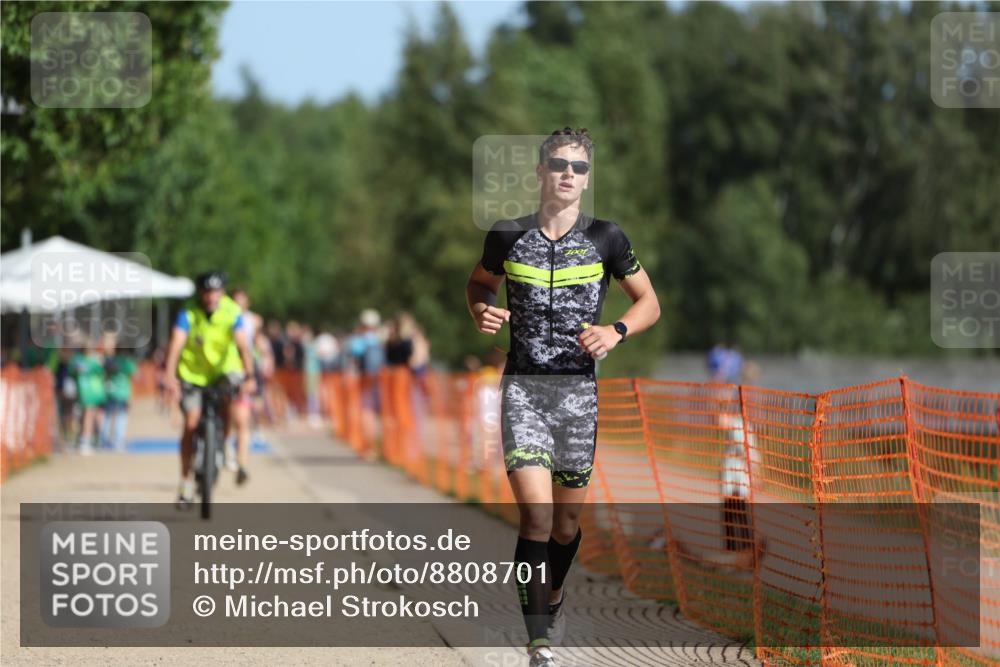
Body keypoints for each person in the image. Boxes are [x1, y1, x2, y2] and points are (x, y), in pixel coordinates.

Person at [466, 128, 661, 666]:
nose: (568, 174)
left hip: (578, 397)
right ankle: (539, 641)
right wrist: (481, 308)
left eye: (577, 167)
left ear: (587, 178)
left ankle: (553, 595)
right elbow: (478, 284)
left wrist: (617, 331)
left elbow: (649, 303)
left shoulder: (607, 238)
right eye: (558, 165)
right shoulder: (507, 235)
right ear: (540, 172)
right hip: (523, 390)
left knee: (566, 525)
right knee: (536, 514)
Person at [163, 271, 256, 507]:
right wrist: (169, 375)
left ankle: (222, 444)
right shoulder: (188, 312)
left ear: (222, 293)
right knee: (192, 423)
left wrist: (250, 375)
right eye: (206, 292)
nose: (211, 297)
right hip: (192, 373)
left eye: (215, 292)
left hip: (223, 371)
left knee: (228, 404)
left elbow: (243, 345)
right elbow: (176, 343)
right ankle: (185, 484)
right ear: (201, 293)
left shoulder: (232, 311)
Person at [228, 288, 259, 482]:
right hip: (224, 370)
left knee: (242, 419)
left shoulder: (252, 320)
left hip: (243, 370)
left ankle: (242, 463)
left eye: (242, 301)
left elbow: (251, 345)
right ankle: (224, 450)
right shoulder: (223, 316)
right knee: (227, 417)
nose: (238, 304)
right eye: (235, 300)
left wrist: (252, 372)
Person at [100, 334, 137, 451]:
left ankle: (104, 440)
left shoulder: (110, 361)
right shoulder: (127, 362)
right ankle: (118, 440)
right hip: (123, 392)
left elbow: (104, 374)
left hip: (110, 391)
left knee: (108, 415)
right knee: (121, 417)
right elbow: (134, 375)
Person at [71, 337, 107, 456]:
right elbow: (102, 372)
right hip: (91, 392)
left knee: (89, 416)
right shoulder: (94, 361)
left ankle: (90, 440)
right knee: (88, 416)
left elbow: (72, 371)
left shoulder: (78, 360)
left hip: (87, 392)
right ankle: (86, 441)